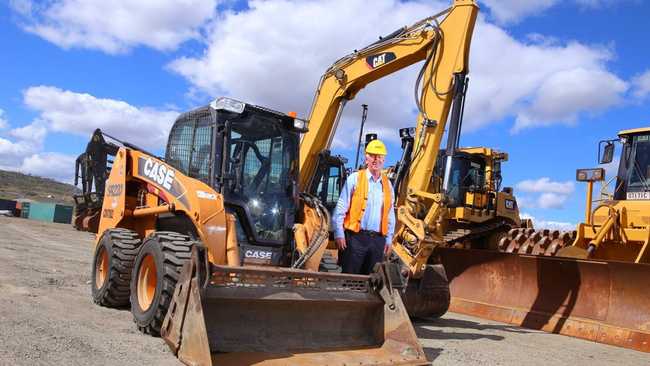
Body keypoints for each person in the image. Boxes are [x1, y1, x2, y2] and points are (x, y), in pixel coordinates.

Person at [333, 139, 395, 274]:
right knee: (349, 279)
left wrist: (389, 239)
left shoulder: (388, 185)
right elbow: (341, 207)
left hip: (378, 241)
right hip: (355, 238)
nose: (375, 160)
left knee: (371, 282)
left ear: (383, 160)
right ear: (366, 158)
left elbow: (390, 215)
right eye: (372, 156)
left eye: (379, 157)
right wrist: (339, 233)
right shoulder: (355, 178)